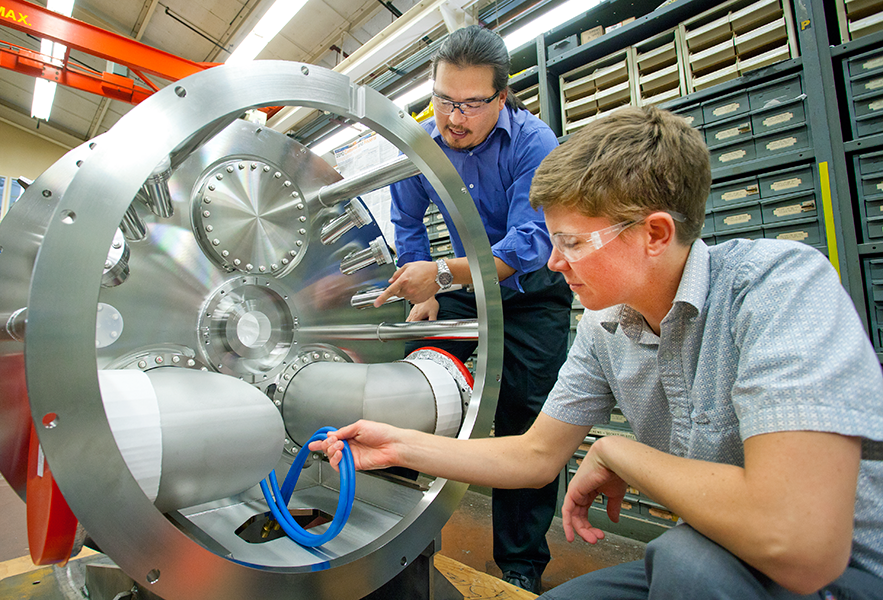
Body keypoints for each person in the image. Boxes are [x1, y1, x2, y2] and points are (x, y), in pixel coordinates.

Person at [312, 104, 883, 599]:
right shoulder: (607, 327)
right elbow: (534, 456)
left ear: (655, 234)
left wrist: (619, 453)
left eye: (572, 243)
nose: (555, 264)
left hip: (840, 576)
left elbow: (801, 542)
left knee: (687, 560)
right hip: (724, 560)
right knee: (684, 563)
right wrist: (399, 445)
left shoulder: (779, 289)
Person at [374, 25, 572, 593]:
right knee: (413, 391)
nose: (452, 117)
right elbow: (408, 221)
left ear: (501, 98)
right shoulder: (421, 145)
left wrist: (438, 272)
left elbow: (526, 243)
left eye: (469, 104)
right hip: (463, 284)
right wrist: (431, 292)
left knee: (525, 422)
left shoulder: (535, 143)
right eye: (441, 99)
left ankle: (520, 568)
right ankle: (400, 540)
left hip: (531, 293)